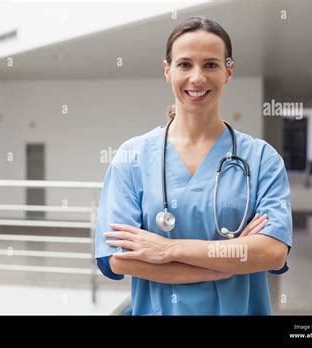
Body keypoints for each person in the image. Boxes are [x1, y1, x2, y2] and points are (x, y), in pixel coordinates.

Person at [95, 16, 292, 315]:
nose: (197, 77)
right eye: (185, 64)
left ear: (229, 71)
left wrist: (169, 249)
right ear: (167, 71)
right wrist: (225, 267)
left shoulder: (263, 159)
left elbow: (273, 253)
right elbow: (119, 258)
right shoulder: (131, 157)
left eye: (211, 64)